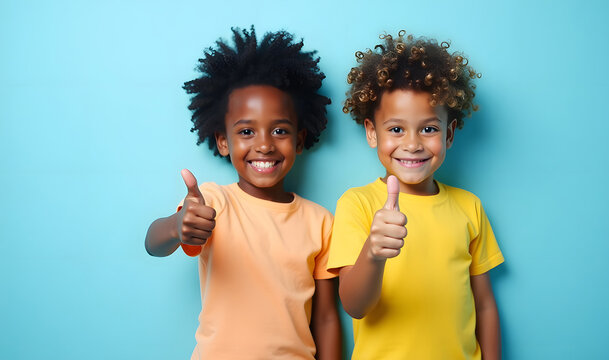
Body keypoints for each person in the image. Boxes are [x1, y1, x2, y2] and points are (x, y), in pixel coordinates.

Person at [145, 27, 341, 360]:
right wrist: (178, 225)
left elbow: (325, 318)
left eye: (280, 130)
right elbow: (153, 243)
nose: (264, 145)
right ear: (224, 141)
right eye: (246, 131)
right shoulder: (212, 202)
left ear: (298, 139)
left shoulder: (321, 222)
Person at [327, 31, 504, 359]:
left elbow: (485, 304)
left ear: (449, 134)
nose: (412, 144)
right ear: (371, 132)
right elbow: (354, 306)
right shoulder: (357, 204)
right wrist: (373, 253)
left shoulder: (470, 207)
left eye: (429, 128)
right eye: (396, 129)